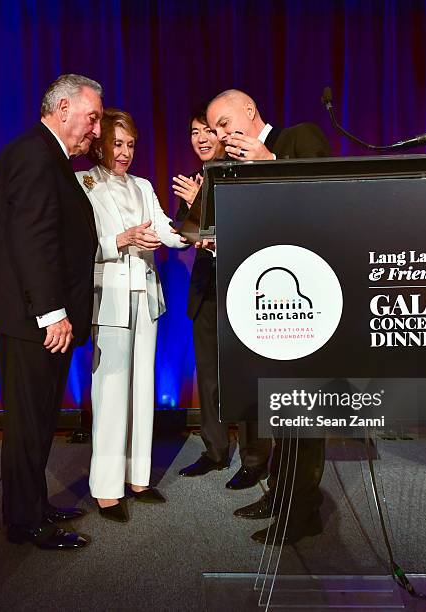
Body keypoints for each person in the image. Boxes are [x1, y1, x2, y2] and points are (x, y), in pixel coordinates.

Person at [0, 74, 103, 549]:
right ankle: (24, 521)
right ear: (63, 106)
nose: (95, 129)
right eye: (92, 117)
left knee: (39, 419)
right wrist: (52, 313)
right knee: (28, 421)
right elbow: (33, 239)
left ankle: (34, 505)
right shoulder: (34, 153)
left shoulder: (45, 153)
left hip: (39, 317)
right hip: (33, 320)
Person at [205, 89, 330, 544]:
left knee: (303, 412)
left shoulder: (299, 138)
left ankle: (302, 513)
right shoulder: (233, 171)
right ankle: (282, 495)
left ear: (250, 110)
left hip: (308, 304)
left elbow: (324, 195)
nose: (219, 133)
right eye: (214, 127)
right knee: (279, 408)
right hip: (264, 305)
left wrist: (268, 159)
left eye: (223, 122)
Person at [76, 108, 187, 523]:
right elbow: (77, 242)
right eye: (116, 144)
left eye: (130, 145)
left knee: (143, 387)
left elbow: (165, 230)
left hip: (145, 294)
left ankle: (138, 478)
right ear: (100, 144)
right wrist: (119, 239)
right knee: (110, 391)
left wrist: (198, 234)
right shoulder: (82, 183)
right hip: (109, 297)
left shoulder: (143, 185)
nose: (124, 152)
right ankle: (106, 488)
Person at [174, 109, 272, 490]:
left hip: (245, 289)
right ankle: (214, 450)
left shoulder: (239, 173)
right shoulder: (197, 179)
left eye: (207, 131)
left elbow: (249, 229)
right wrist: (189, 222)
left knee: (245, 378)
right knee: (210, 377)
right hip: (207, 291)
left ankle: (254, 458)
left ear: (224, 136)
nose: (200, 138)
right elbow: (188, 229)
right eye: (193, 132)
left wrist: (202, 205)